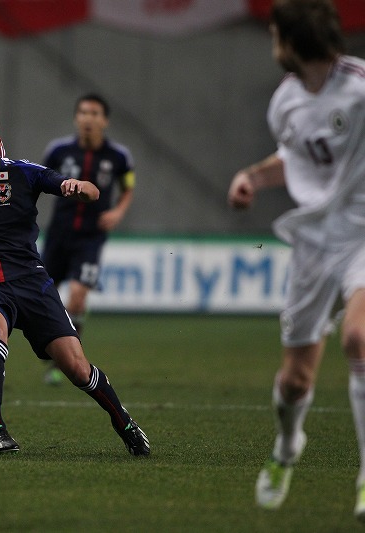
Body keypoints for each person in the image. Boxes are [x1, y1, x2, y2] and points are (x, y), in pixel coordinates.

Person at [0, 106, 150, 456]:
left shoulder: (24, 174)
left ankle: (123, 420)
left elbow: (90, 191)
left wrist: (79, 188)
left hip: (32, 283)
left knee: (76, 368)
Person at [227, 0, 365, 518]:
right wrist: (252, 178)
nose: (271, 42)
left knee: (359, 338)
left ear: (293, 38)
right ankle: (288, 446)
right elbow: (295, 158)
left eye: (275, 33)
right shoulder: (284, 102)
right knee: (295, 380)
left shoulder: (359, 86)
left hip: (363, 234)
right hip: (314, 242)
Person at [41, 94, 135, 385]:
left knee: (78, 298)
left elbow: (128, 187)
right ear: (76, 118)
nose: (88, 119)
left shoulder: (118, 157)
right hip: (58, 234)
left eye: (94, 113)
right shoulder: (58, 151)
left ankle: (68, 359)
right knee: (45, 296)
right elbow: (40, 181)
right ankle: (52, 346)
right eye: (83, 112)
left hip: (91, 239)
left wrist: (118, 211)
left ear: (104, 120)